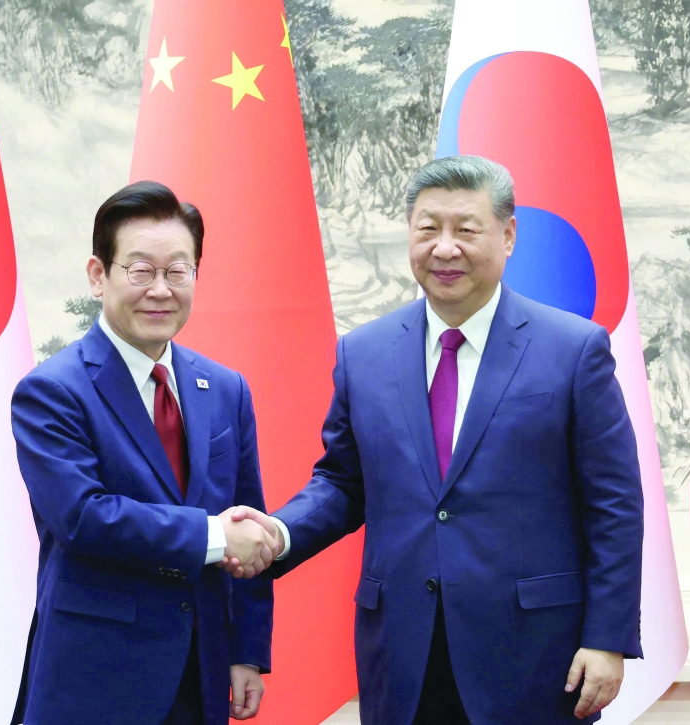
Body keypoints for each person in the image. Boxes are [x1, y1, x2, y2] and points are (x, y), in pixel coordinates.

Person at [230, 156, 644, 724]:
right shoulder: (365, 354)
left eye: (465, 229)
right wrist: (278, 532)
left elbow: (614, 504)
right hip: (403, 652)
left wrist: (609, 638)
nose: (444, 248)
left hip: (534, 655)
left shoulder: (573, 351)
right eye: (428, 229)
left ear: (508, 234)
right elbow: (343, 483)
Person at [11, 181, 277, 725]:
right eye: (140, 270)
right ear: (97, 275)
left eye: (178, 271)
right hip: (94, 677)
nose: (160, 289)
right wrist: (214, 536)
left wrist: (247, 650)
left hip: (201, 673)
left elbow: (249, 515)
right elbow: (84, 517)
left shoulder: (227, 389)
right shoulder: (52, 390)